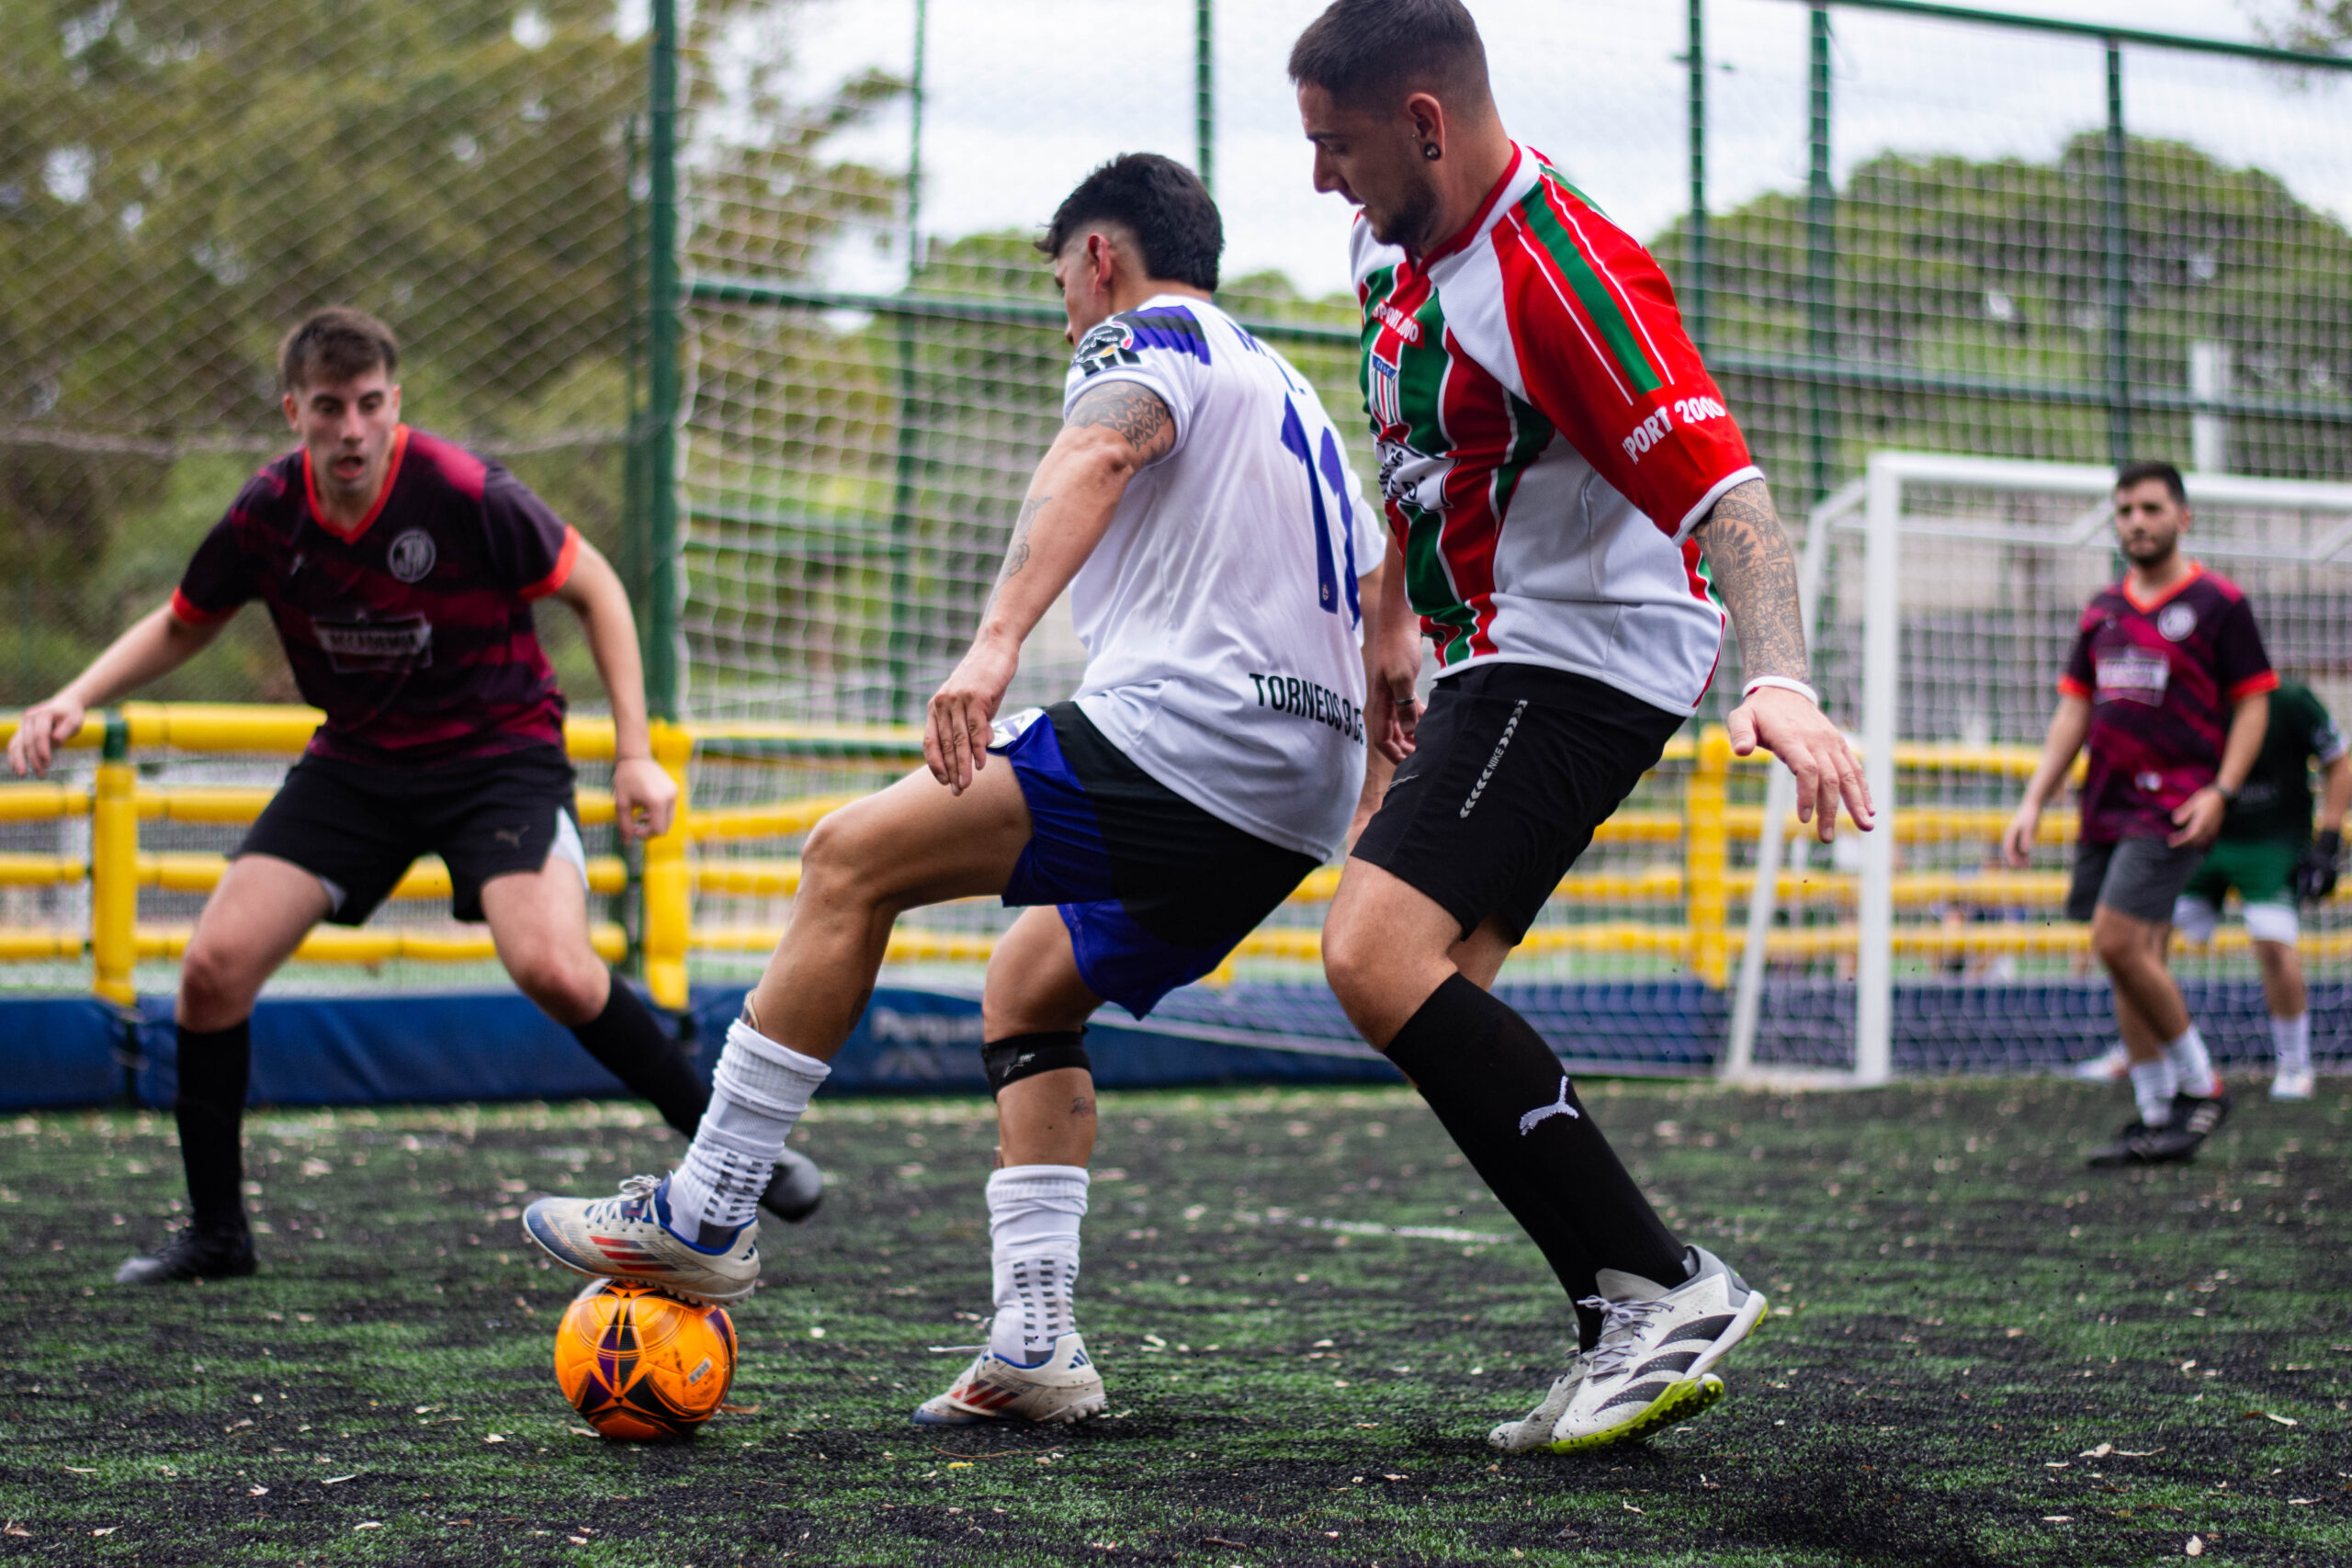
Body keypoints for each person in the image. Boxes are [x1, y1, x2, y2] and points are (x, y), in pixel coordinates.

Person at [522, 154, 1392, 1428]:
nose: (1067, 316)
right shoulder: (1288, 389)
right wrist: (1369, 795)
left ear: (1100, 258)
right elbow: (1380, 594)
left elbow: (1100, 449)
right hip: (1295, 790)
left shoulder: (1143, 334)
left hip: (1195, 739)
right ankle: (1036, 1345)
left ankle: (707, 1206)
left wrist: (994, 646)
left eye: (1063, 287)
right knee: (1029, 987)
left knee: (847, 856)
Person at [1289, 0, 1874, 1457]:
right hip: (1496, 650)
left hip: (1584, 655)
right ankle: (1624, 1304)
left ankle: (1665, 1282)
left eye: (1338, 146)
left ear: (1426, 123)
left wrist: (1783, 680)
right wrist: (1390, 621)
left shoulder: (1559, 275)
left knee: (1373, 952)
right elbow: (1418, 454)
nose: (1321, 177)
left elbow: (1736, 506)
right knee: (1444, 991)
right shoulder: (1389, 242)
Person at [6, 306, 822, 1285]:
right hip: (358, 765)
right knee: (211, 969)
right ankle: (217, 1236)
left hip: (498, 757)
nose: (350, 428)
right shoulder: (267, 511)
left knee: (555, 969)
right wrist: (75, 696)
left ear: (395, 401)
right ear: (294, 412)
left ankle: (737, 1158)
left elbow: (598, 588)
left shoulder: (466, 490)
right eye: (328, 408)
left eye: (368, 404)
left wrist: (637, 754)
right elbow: (186, 620)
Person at [2002, 459, 2274, 1167]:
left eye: (2151, 508)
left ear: (2183, 516)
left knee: (2118, 941)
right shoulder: (2103, 608)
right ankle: (2156, 1114)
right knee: (2129, 955)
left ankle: (2202, 1086)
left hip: (2175, 805)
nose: (2136, 522)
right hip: (2106, 806)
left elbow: (2254, 703)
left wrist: (2222, 790)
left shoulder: (2219, 603)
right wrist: (2034, 798)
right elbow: (2075, 708)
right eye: (2125, 511)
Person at [2167, 676, 2346, 1100]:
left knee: (2273, 940)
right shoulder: (2190, 696)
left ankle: (2294, 1063)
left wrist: (2329, 841)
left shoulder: (2291, 701)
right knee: (2139, 937)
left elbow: (2338, 762)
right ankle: (2144, 1048)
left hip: (2274, 843)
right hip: (2205, 837)